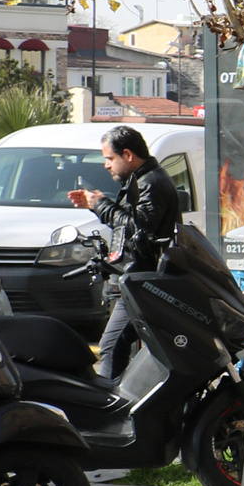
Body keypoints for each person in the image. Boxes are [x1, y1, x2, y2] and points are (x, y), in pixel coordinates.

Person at [67, 124, 182, 379]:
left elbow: (138, 227)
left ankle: (111, 399)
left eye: (110, 158)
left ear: (128, 155)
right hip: (136, 278)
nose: (106, 165)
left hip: (144, 281)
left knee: (112, 345)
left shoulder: (151, 182)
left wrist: (101, 205)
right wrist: (97, 205)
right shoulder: (141, 180)